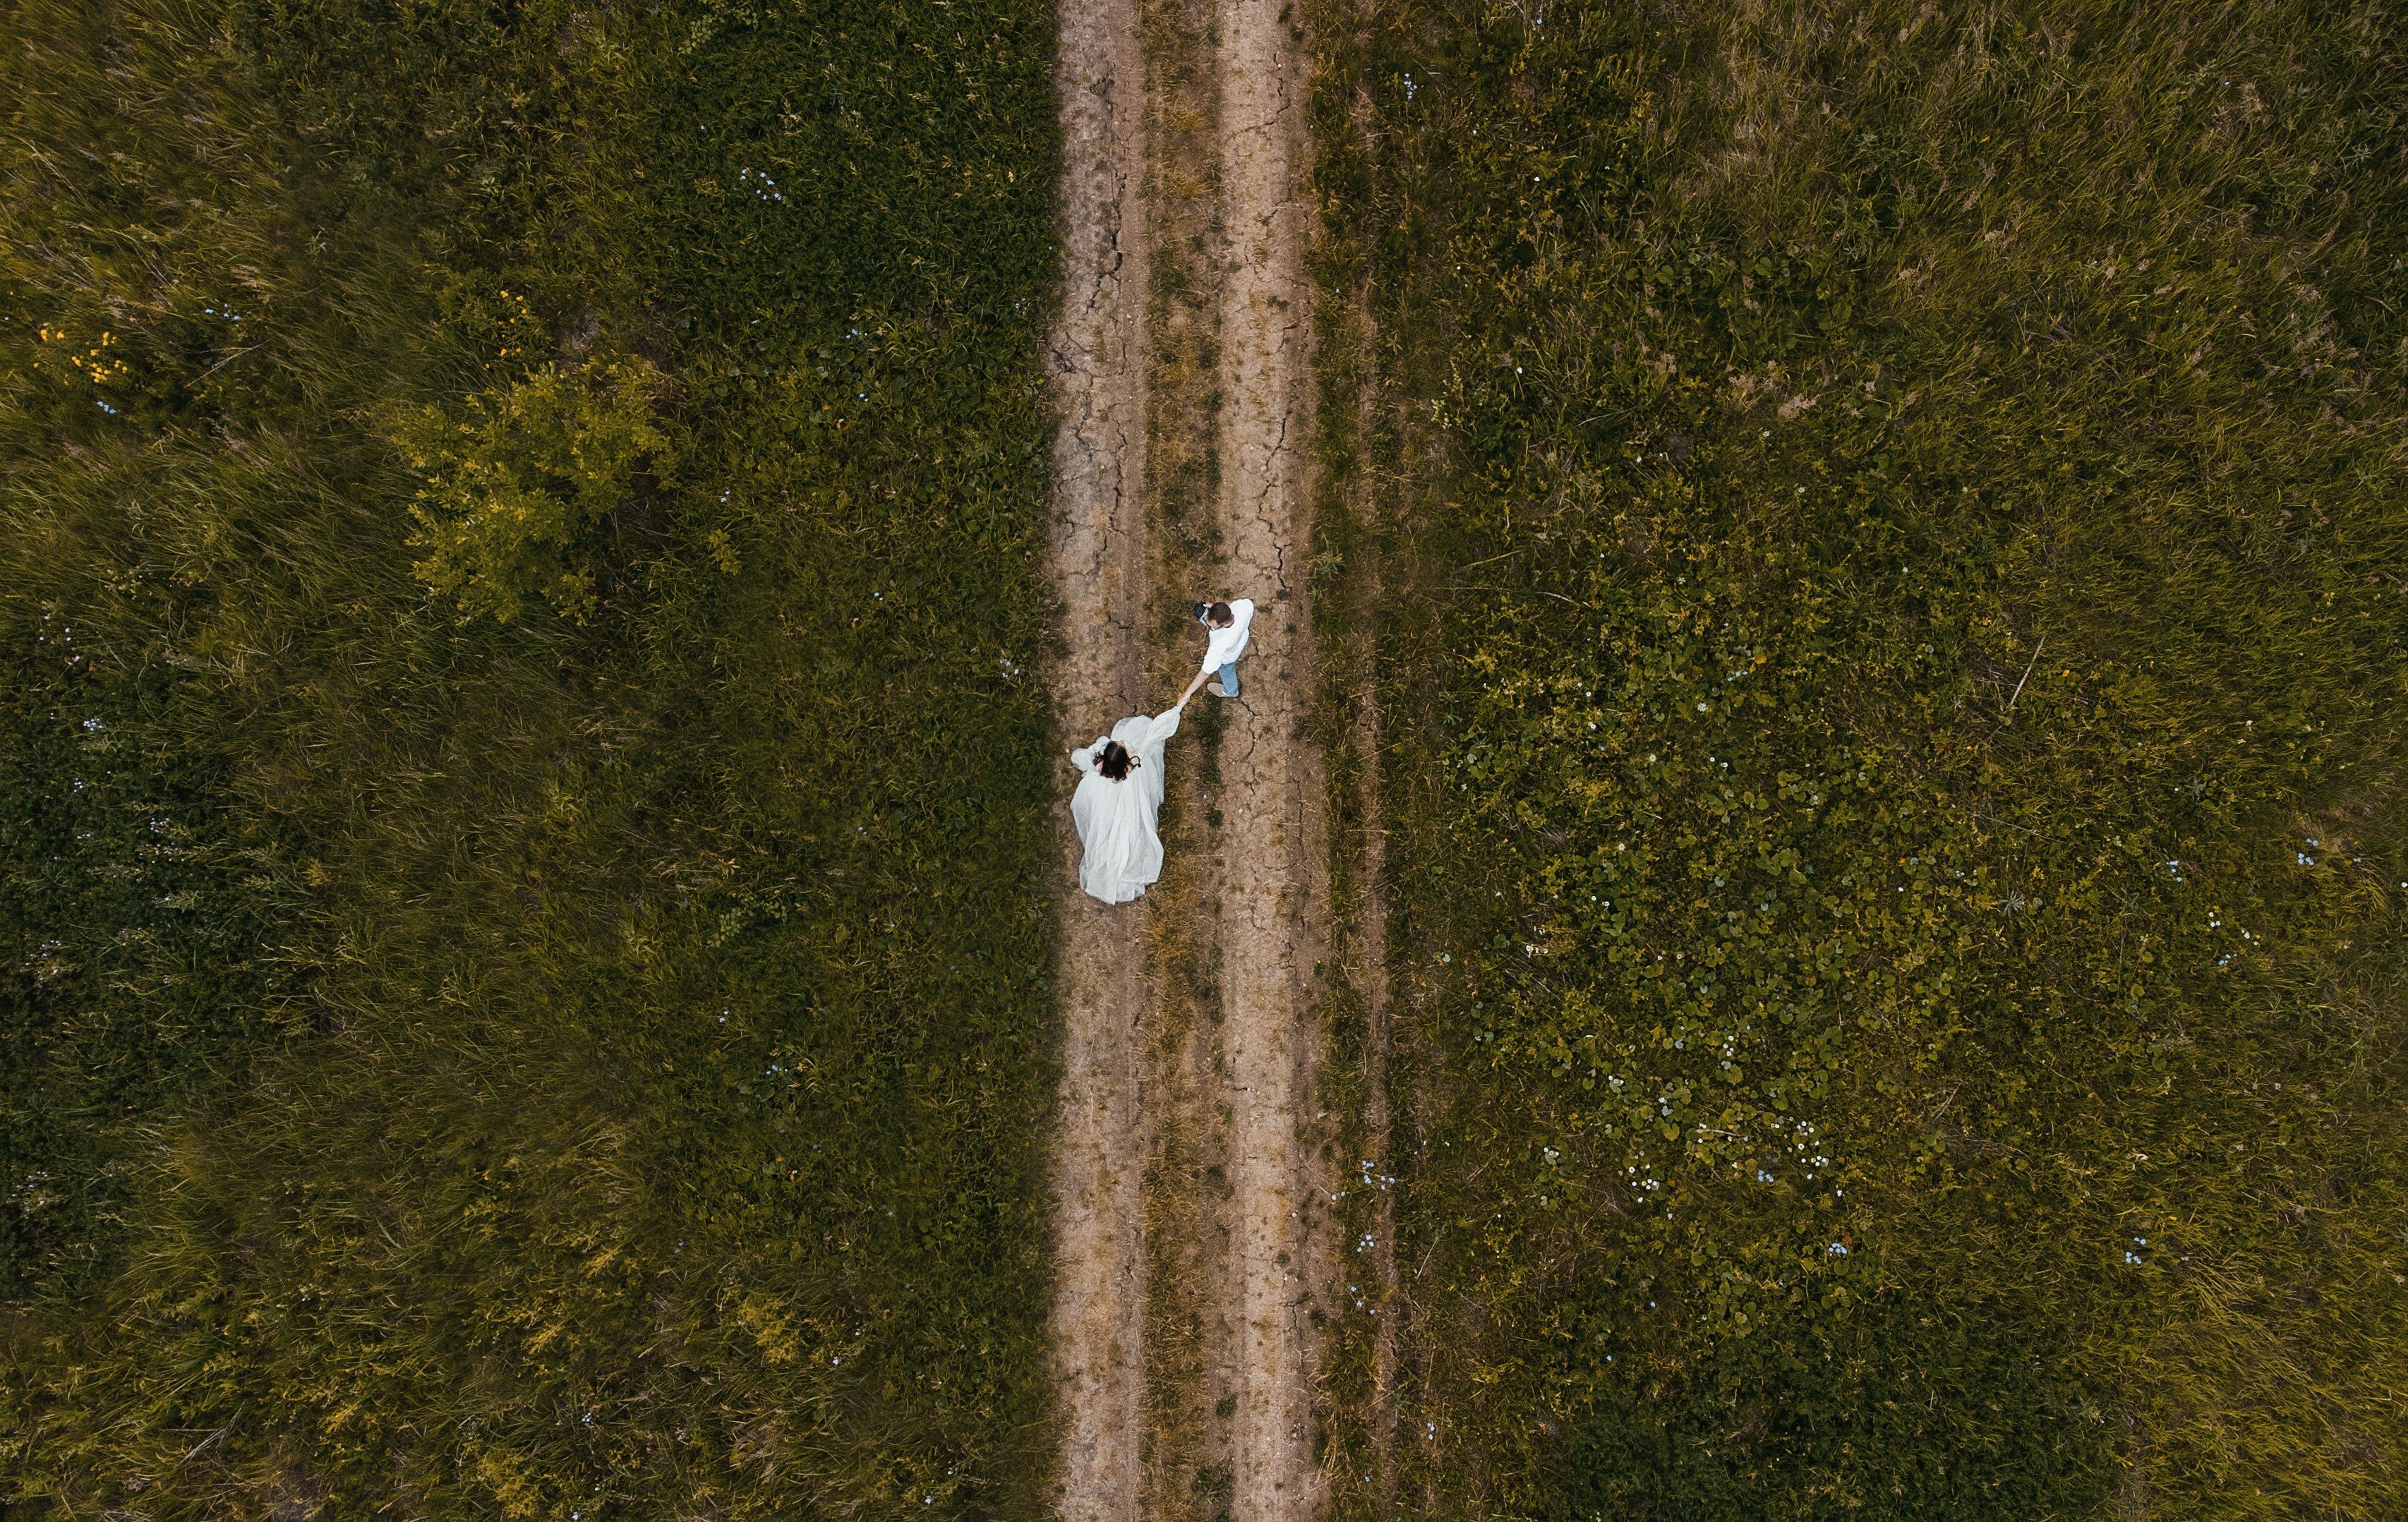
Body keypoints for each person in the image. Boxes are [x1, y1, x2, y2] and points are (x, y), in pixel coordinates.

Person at [1068, 701, 1186, 904]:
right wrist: (1176, 711)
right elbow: (1151, 737)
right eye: (1122, 746)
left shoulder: (1100, 765)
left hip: (1105, 793)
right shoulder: (1134, 765)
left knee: (1109, 823)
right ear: (1124, 762)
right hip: (1126, 795)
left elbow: (1083, 757)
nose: (1122, 741)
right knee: (1127, 827)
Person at [1180, 597, 1255, 703]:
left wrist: (1186, 694)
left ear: (1223, 625)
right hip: (1242, 640)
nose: (1206, 622)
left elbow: (1205, 673)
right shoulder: (1241, 607)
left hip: (1228, 658)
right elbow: (1247, 606)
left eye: (1211, 625)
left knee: (1227, 670)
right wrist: (1215, 609)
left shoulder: (1220, 643)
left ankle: (1230, 691)